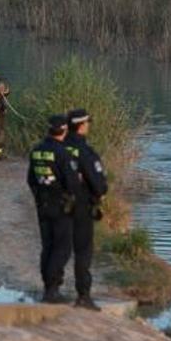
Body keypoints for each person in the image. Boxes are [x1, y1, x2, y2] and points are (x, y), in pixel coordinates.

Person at [27, 114, 80, 304]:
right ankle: (52, 289)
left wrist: (39, 197)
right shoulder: (63, 153)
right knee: (62, 248)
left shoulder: (37, 150)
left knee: (48, 246)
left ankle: (48, 288)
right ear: (64, 131)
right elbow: (72, 183)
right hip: (60, 205)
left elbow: (31, 180)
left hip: (43, 204)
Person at [63, 108, 108, 311]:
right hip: (81, 206)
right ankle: (83, 295)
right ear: (81, 126)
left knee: (56, 248)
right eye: (87, 123)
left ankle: (51, 291)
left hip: (55, 206)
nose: (88, 125)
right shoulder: (85, 151)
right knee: (82, 251)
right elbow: (98, 183)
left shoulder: (56, 147)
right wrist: (100, 193)